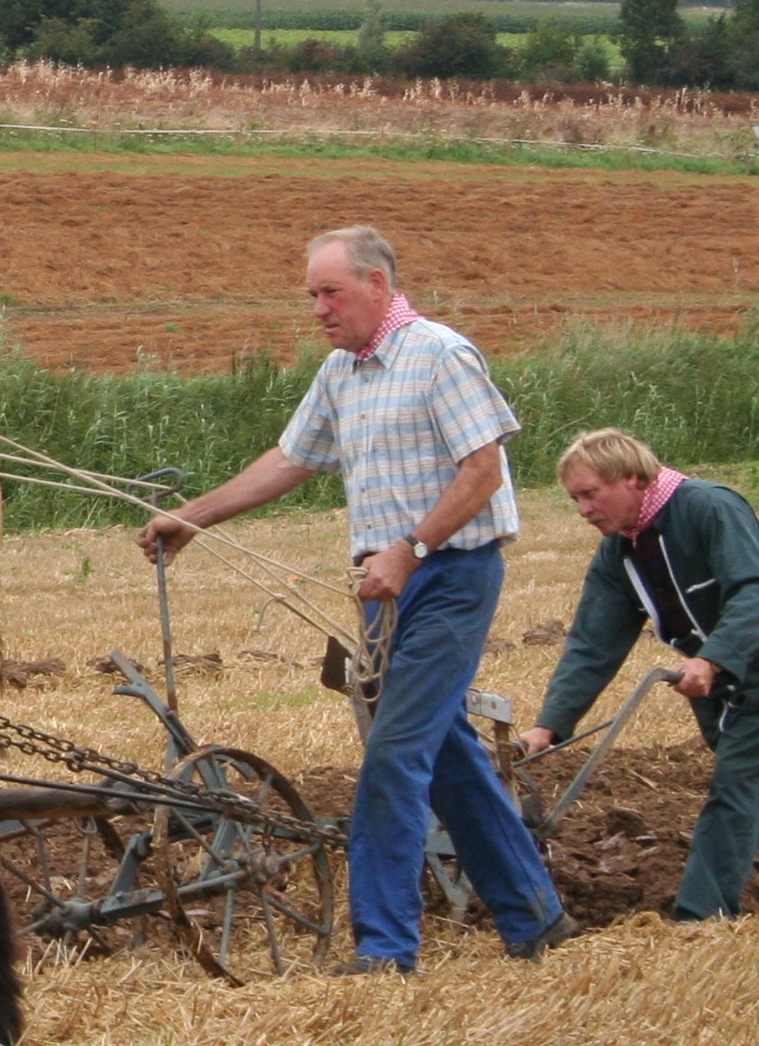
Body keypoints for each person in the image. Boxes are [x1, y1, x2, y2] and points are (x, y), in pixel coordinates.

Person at [139, 225, 571, 974]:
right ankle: (536, 918)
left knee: (396, 755)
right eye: (311, 294)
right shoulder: (343, 372)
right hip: (386, 589)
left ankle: (385, 948)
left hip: (451, 577)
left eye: (329, 292)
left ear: (377, 285)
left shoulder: (440, 355)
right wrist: (192, 517)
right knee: (447, 754)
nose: (317, 309)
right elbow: (290, 458)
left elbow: (483, 471)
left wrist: (412, 549)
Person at [517, 427, 759, 922]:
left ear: (631, 478)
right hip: (704, 672)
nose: (583, 510)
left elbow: (755, 592)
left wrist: (714, 659)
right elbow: (592, 645)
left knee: (738, 784)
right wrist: (550, 725)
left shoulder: (709, 507)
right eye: (575, 499)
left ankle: (700, 915)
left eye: (590, 494)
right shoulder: (620, 553)